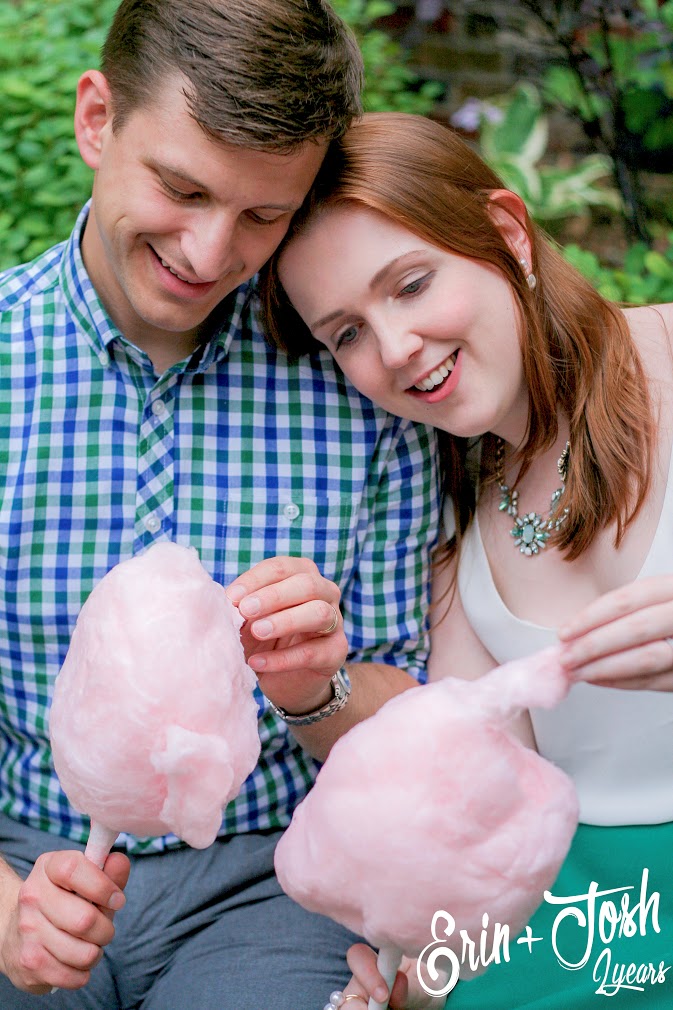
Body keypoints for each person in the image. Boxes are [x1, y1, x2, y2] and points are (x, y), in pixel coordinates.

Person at [0, 10, 441, 1008]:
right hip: (23, 851)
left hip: (272, 879)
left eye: (262, 215)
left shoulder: (355, 374)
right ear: (96, 119)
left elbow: (417, 708)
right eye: (182, 188)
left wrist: (317, 684)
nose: (208, 251)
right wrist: (5, 910)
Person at [260, 111, 673, 1008]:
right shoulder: (456, 532)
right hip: (586, 933)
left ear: (507, 233)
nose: (394, 349)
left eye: (409, 285)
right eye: (347, 334)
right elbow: (469, 811)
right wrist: (416, 978)